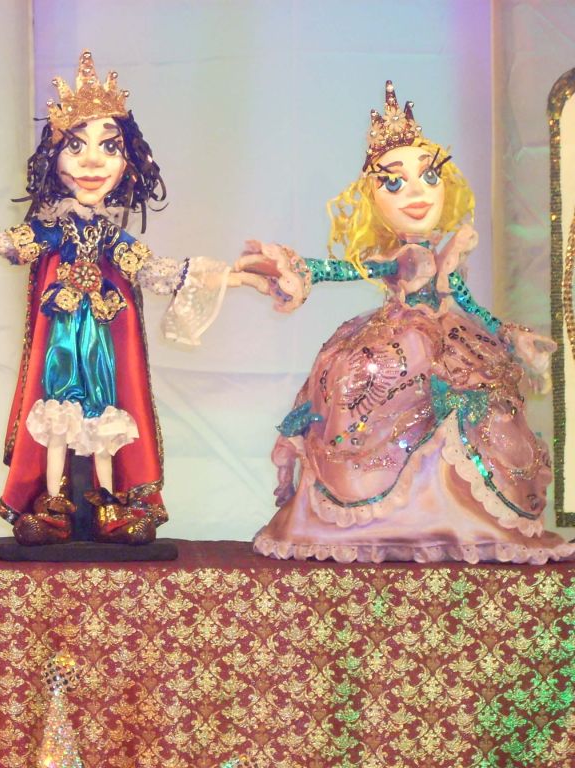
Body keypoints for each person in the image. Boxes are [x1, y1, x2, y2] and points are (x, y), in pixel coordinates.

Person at [0, 51, 232, 545]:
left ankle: (109, 502)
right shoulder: (52, 228)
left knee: (104, 413)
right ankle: (53, 503)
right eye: (76, 146)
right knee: (56, 415)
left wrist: (231, 276)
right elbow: (6, 243)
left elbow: (157, 270)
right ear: (54, 160)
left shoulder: (113, 238)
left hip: (100, 341)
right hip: (63, 339)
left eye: (109, 147)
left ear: (128, 163)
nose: (92, 161)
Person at [233, 81, 573, 563]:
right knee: (370, 382)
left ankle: (460, 519)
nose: (415, 190)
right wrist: (303, 269)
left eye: (429, 176)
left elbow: (465, 302)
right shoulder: (400, 258)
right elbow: (351, 268)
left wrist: (504, 333)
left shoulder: (447, 254)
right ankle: (388, 519)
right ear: (372, 200)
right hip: (396, 340)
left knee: (481, 401)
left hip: (454, 341)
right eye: (393, 182)